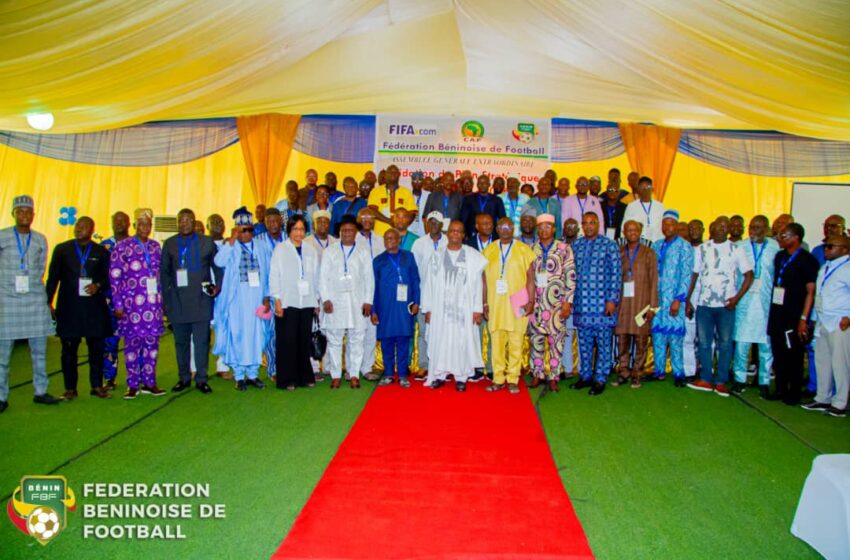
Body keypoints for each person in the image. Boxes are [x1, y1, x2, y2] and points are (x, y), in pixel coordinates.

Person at [0, 195, 61, 412]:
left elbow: (41, 269)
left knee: (39, 351)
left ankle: (41, 391)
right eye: (20, 211)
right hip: (7, 301)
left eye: (28, 211)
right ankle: (1, 396)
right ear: (13, 214)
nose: (24, 215)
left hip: (34, 300)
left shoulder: (40, 240)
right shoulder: (3, 237)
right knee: (3, 354)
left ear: (34, 215)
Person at [46, 216, 113, 400]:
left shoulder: (101, 252)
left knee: (97, 349)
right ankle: (70, 389)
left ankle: (97, 386)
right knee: (68, 350)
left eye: (84, 226)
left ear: (92, 230)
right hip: (69, 308)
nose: (79, 228)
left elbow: (110, 279)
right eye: (77, 226)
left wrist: (98, 286)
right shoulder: (62, 250)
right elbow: (53, 278)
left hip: (94, 308)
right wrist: (47, 302)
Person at [686, 217, 753, 397]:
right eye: (718, 225)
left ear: (729, 229)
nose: (722, 229)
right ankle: (706, 379)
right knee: (704, 343)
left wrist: (736, 298)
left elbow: (749, 275)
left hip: (726, 305)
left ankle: (722, 381)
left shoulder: (737, 249)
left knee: (724, 343)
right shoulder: (702, 249)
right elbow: (694, 274)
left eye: (725, 226)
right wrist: (688, 298)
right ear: (712, 228)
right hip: (704, 304)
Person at [160, 208, 222, 394]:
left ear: (194, 222)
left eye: (188, 220)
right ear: (177, 223)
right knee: (181, 342)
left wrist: (218, 286)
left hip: (201, 300)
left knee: (202, 341)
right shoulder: (170, 244)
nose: (184, 223)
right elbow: (164, 273)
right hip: (177, 301)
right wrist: (166, 298)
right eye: (181, 220)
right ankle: (184, 378)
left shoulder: (206, 242)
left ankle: (202, 379)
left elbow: (218, 267)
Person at [109, 208, 166, 399]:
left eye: (147, 224)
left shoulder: (156, 247)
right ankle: (132, 385)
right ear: (134, 226)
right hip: (131, 305)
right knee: (131, 346)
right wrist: (117, 304)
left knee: (152, 346)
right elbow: (115, 277)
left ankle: (150, 383)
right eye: (140, 224)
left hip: (153, 306)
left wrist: (163, 302)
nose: (144, 227)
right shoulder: (122, 247)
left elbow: (161, 277)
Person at [423, 221, 487, 391]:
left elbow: (478, 285)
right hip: (440, 308)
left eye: (459, 231)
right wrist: (428, 308)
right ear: (447, 233)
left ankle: (461, 377)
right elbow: (428, 283)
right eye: (452, 231)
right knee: (441, 339)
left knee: (462, 340)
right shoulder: (437, 255)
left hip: (463, 309)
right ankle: (439, 375)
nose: (455, 234)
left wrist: (477, 309)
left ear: (464, 235)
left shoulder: (473, 256)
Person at [213, 208, 270, 391]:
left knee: (256, 335)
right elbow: (219, 262)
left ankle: (253, 374)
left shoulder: (261, 246)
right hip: (236, 299)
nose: (246, 234)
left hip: (257, 298)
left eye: (249, 230)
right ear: (236, 230)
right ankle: (239, 375)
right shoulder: (230, 247)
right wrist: (231, 240)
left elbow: (268, 274)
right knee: (237, 335)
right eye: (242, 230)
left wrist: (267, 297)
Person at [319, 216, 374, 389]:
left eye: (351, 230)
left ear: (356, 232)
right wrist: (325, 298)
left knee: (357, 338)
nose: (347, 233)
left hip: (357, 302)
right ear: (340, 232)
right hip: (335, 302)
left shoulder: (363, 251)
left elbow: (369, 278)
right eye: (344, 231)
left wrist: (368, 301)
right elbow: (323, 278)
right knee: (335, 339)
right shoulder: (330, 251)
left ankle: (354, 373)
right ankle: (336, 374)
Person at [767, 223, 818, 405]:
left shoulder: (807, 260)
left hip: (794, 315)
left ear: (795, 237)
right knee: (778, 353)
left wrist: (803, 319)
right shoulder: (780, 256)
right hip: (777, 313)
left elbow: (810, 292)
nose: (779, 239)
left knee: (794, 355)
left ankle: (793, 392)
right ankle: (780, 388)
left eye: (783, 236)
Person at [570, 212, 621, 395]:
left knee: (603, 343)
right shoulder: (576, 245)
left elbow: (616, 273)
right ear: (582, 225)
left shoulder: (609, 245)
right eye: (585, 223)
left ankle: (600, 378)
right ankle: (585, 376)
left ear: (598, 224)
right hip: (582, 305)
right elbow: (571, 275)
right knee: (583, 343)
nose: (589, 226)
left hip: (602, 306)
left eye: (592, 222)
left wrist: (612, 300)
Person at [483, 218, 536, 394]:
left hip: (517, 303)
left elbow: (530, 278)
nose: (505, 230)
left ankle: (513, 378)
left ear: (513, 229)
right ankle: (498, 378)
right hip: (495, 304)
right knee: (496, 342)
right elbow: (483, 280)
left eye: (509, 227)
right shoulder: (488, 250)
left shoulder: (524, 250)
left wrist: (531, 301)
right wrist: (484, 303)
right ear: (497, 229)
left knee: (516, 341)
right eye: (502, 227)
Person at [731, 216, 780, 397]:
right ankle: (739, 379)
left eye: (758, 227)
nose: (754, 231)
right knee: (742, 342)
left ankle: (764, 381)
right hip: (744, 300)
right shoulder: (740, 246)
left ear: (766, 229)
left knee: (765, 345)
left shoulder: (775, 248)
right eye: (752, 227)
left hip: (766, 302)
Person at [270, 215, 320, 391]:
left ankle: (304, 376)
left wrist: (316, 300)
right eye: (295, 229)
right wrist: (277, 300)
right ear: (289, 231)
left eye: (301, 229)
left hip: (306, 301)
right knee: (287, 341)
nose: (298, 233)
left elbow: (315, 276)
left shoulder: (310, 250)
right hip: (287, 302)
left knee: (303, 340)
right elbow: (274, 275)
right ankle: (287, 379)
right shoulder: (280, 249)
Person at [528, 213, 575, 391]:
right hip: (537, 305)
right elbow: (527, 278)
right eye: (541, 227)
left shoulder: (564, 248)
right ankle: (537, 374)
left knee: (556, 342)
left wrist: (568, 303)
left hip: (557, 304)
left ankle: (554, 376)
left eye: (548, 226)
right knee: (536, 340)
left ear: (554, 229)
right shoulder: (532, 249)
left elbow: (571, 276)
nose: (544, 230)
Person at [806, 235, 850, 417]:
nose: (826, 249)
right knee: (822, 360)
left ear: (845, 249)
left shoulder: (847, 268)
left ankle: (840, 403)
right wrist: (814, 318)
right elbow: (819, 295)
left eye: (831, 246)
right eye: (826, 246)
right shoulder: (825, 267)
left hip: (840, 321)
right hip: (823, 320)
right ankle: (823, 397)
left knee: (840, 363)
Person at [612, 221, 659, 388]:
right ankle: (623, 372)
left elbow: (654, 281)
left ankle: (637, 374)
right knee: (622, 340)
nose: (632, 232)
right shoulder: (619, 252)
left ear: (640, 232)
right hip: (623, 304)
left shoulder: (649, 253)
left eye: (635, 230)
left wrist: (653, 307)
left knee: (641, 341)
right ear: (624, 232)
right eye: (628, 230)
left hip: (642, 304)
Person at [372, 229, 420, 388]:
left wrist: (416, 302)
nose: (389, 241)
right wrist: (374, 310)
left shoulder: (409, 257)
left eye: (393, 238)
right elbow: (374, 287)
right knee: (386, 341)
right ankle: (388, 375)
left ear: (399, 240)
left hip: (404, 306)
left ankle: (403, 376)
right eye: (386, 238)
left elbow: (415, 280)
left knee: (403, 340)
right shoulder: (378, 261)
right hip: (385, 307)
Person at [651, 210, 694, 386]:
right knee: (658, 337)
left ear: (676, 225)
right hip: (657, 299)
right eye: (665, 224)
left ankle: (678, 373)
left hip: (674, 299)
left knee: (675, 339)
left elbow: (686, 275)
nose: (667, 227)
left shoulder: (685, 246)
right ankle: (658, 371)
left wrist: (679, 299)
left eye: (671, 224)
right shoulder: (656, 245)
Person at [411, 212, 449, 381]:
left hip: (445, 296)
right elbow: (413, 272)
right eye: (431, 222)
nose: (434, 225)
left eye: (437, 222)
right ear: (427, 224)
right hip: (424, 294)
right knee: (424, 332)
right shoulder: (419, 243)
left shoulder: (449, 241)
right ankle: (425, 365)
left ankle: (443, 366)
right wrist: (416, 297)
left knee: (445, 332)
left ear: (442, 224)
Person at [100, 210, 130, 390]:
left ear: (128, 223)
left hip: (134, 301)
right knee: (109, 341)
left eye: (123, 221)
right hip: (109, 301)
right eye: (116, 220)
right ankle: (109, 378)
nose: (119, 223)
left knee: (134, 340)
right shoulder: (104, 246)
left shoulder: (136, 244)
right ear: (111, 223)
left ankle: (136, 376)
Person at [465, 213, 496, 381]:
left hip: (495, 294)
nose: (488, 226)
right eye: (483, 223)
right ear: (476, 226)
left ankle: (491, 368)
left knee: (492, 332)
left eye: (490, 223)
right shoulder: (467, 244)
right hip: (473, 295)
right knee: (473, 333)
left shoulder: (499, 242)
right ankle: (475, 367)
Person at [255, 208, 284, 381]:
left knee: (285, 333)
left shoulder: (288, 240)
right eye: (269, 221)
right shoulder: (258, 241)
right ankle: (273, 369)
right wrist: (265, 296)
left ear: (280, 221)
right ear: (264, 223)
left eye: (275, 221)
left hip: (286, 294)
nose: (273, 224)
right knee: (270, 334)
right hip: (267, 296)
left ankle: (286, 366)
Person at [356, 208, 384, 380]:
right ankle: (354, 367)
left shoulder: (380, 239)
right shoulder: (353, 239)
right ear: (359, 219)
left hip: (377, 290)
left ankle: (366, 367)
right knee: (357, 331)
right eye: (363, 216)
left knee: (371, 332)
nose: (367, 219)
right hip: (358, 291)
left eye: (370, 217)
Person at [205, 213, 231, 379]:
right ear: (207, 227)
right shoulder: (201, 244)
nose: (216, 224)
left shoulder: (230, 244)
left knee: (224, 330)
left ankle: (223, 366)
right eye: (212, 222)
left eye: (220, 221)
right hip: (205, 293)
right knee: (201, 333)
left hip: (226, 294)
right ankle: (196, 368)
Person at [368, 165, 418, 236]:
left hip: (400, 235)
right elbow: (372, 211)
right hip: (379, 235)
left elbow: (412, 213)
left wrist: (402, 227)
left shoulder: (407, 192)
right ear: (385, 175)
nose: (392, 173)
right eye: (390, 171)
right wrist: (388, 221)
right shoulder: (376, 191)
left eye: (395, 172)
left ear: (399, 174)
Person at [560, 217, 582, 378]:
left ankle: (582, 369)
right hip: (563, 297)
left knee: (582, 335)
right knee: (566, 334)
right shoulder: (558, 246)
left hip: (582, 297)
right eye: (567, 226)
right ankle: (567, 368)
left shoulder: (583, 245)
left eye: (573, 226)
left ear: (578, 228)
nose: (570, 228)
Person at [460, 174, 506, 242]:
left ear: (489, 184)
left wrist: (500, 235)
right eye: (480, 183)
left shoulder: (497, 200)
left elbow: (502, 219)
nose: (482, 185)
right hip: (472, 236)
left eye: (484, 183)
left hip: (492, 236)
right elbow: (463, 219)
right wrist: (465, 235)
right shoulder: (468, 199)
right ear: (477, 185)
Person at [621, 176, 665, 242]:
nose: (645, 189)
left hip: (657, 243)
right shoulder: (631, 207)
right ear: (638, 189)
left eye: (648, 187)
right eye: (642, 187)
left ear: (652, 189)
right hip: (638, 244)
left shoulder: (660, 206)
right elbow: (624, 228)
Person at [409, 171, 430, 237]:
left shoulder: (428, 195)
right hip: (409, 231)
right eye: (415, 180)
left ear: (423, 182)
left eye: (420, 180)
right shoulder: (407, 195)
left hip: (424, 232)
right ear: (411, 183)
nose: (417, 183)